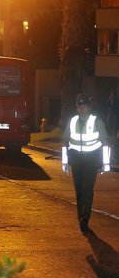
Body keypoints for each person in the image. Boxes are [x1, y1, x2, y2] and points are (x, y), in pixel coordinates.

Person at [61, 93, 111, 232]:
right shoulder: (72, 122)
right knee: (79, 190)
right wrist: (65, 163)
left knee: (87, 189)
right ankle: (80, 216)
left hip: (92, 160)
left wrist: (105, 164)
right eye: (79, 106)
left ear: (89, 107)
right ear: (76, 107)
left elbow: (105, 143)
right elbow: (65, 143)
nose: (82, 108)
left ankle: (85, 218)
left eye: (84, 106)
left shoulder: (97, 122)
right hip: (76, 159)